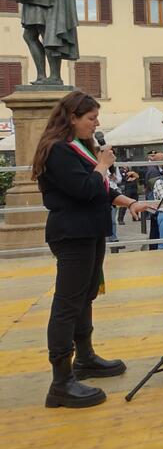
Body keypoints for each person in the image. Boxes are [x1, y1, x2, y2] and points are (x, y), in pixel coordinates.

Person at [32, 91, 153, 408]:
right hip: (72, 235)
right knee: (67, 304)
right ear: (72, 118)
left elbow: (103, 189)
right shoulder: (58, 150)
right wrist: (102, 164)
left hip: (89, 233)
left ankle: (84, 358)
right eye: (92, 118)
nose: (96, 124)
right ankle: (60, 382)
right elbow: (86, 189)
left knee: (85, 296)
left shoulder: (77, 148)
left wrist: (131, 201)